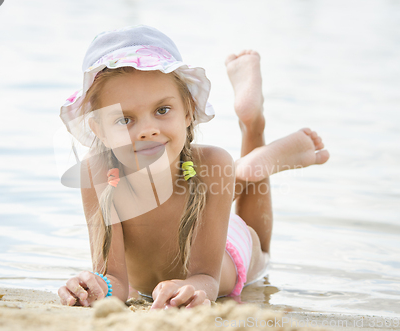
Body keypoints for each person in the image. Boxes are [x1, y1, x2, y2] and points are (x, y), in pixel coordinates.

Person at [57, 25, 330, 310]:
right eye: (125, 120)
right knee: (215, 179)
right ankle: (245, 166)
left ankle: (253, 129)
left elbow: (207, 278)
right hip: (210, 194)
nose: (148, 130)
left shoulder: (211, 163)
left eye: (162, 110)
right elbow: (114, 280)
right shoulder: (97, 175)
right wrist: (94, 288)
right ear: (99, 129)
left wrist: (191, 286)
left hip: (223, 248)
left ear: (188, 111)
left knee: (259, 248)